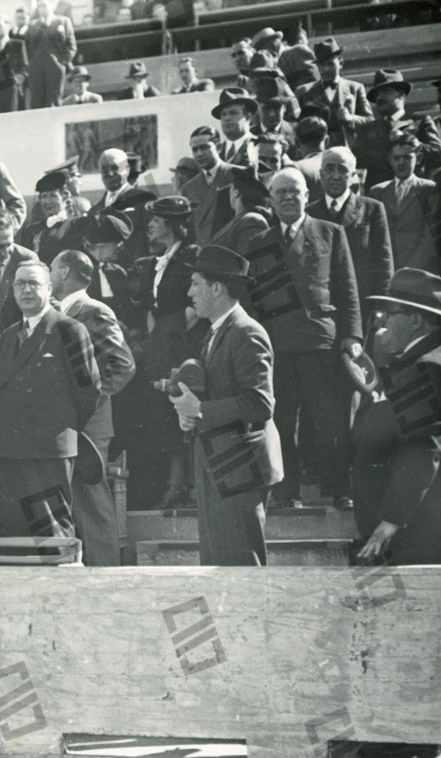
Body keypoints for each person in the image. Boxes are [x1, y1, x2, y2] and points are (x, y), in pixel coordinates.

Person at [246, 167, 361, 510]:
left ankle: (338, 489)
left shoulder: (330, 232)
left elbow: (348, 288)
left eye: (294, 191)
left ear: (307, 196)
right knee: (282, 421)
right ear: (270, 200)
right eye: (280, 192)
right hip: (278, 344)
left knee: (329, 418)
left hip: (320, 340)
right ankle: (286, 493)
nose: (287, 197)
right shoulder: (259, 243)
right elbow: (252, 299)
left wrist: (351, 335)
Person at [169, 245, 282, 565]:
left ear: (216, 288)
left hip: (239, 468)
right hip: (222, 466)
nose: (190, 292)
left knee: (240, 567)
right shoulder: (218, 331)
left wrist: (201, 410)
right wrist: (190, 414)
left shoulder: (246, 332)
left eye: (195, 283)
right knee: (221, 565)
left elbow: (261, 404)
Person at [352, 269, 441, 565]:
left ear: (415, 320)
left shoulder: (427, 367)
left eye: (390, 312)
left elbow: (423, 448)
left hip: (413, 527)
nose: (382, 320)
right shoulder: (440, 352)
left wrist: (390, 521)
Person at [0, 261, 100, 537]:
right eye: (20, 284)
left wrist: (60, 428)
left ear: (49, 288)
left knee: (53, 530)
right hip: (11, 448)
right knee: (18, 532)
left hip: (48, 448)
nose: (26, 290)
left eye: (34, 283)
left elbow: (88, 390)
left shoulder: (69, 330)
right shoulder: (8, 335)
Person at [49, 251, 136, 565]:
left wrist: (86, 403)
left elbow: (123, 365)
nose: (48, 274)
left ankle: (105, 577)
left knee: (93, 510)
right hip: (64, 427)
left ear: (65, 271)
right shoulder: (55, 312)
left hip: (89, 428)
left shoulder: (93, 310)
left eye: (51, 267)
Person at [133, 196, 202, 508]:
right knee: (162, 417)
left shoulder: (192, 256)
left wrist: (168, 334)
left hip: (186, 346)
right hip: (162, 348)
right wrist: (156, 340)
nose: (151, 224)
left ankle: (185, 485)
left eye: (158, 219)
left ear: (174, 224)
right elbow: (151, 307)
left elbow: (196, 308)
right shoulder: (155, 261)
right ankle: (172, 485)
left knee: (184, 413)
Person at [309, 146, 394, 308]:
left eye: (343, 170)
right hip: (323, 305)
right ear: (321, 174)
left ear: (353, 176)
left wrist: (382, 307)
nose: (335, 176)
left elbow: (384, 262)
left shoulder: (372, 209)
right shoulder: (309, 213)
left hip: (362, 302)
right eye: (329, 169)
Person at [349, 69, 441, 190]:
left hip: (415, 195)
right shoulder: (367, 128)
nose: (380, 97)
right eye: (377, 94)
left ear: (402, 94)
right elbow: (357, 158)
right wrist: (392, 154)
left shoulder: (421, 121)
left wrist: (416, 145)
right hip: (379, 196)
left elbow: (438, 155)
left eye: (386, 91)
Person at [368, 134, 440, 275]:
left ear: (418, 159)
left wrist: (410, 267)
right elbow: (374, 235)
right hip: (387, 268)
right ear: (390, 160)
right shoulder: (377, 192)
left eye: (407, 158)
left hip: (421, 270)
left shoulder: (429, 189)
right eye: (396, 158)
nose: (401, 163)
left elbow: (431, 234)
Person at [293, 38, 371, 149]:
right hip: (317, 153)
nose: (325, 69)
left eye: (330, 64)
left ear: (341, 63)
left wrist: (351, 118)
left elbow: (370, 121)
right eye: (321, 65)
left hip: (348, 152)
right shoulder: (303, 91)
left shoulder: (355, 88)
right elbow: (294, 125)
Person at [181, 126, 235, 246]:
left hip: (231, 252)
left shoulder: (238, 175)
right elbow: (189, 231)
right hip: (202, 256)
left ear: (219, 147)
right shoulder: (188, 188)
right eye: (195, 149)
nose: (199, 154)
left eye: (204, 147)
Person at [25, 1, 76, 108]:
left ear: (51, 6)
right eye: (39, 6)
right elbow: (27, 47)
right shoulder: (32, 25)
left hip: (55, 66)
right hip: (36, 67)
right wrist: (31, 63)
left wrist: (62, 62)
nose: (42, 8)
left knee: (54, 100)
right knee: (36, 100)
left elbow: (71, 46)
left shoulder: (63, 21)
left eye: (44, 5)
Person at [0, 15, 28, 115]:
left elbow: (24, 69)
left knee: (11, 119)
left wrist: (15, 81)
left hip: (11, 90)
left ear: (8, 25)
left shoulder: (18, 44)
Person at [250, 26, 318, 90]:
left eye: (261, 46)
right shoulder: (271, 66)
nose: (261, 52)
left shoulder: (296, 52)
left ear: (276, 41)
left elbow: (314, 82)